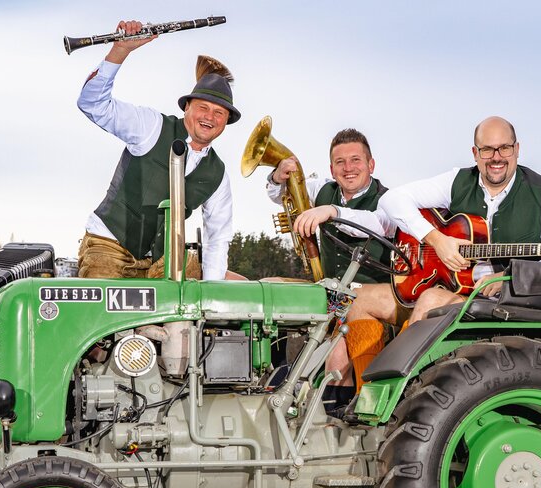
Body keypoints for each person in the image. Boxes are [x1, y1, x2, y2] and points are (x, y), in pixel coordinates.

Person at [340, 115, 541, 385]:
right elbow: (393, 199)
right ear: (475, 153)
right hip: (454, 288)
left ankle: (399, 395)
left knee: (429, 299)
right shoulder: (458, 181)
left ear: (517, 149)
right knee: (358, 300)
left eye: (504, 148)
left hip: (503, 301)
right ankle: (365, 393)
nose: (496, 157)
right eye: (487, 149)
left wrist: (508, 279)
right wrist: (437, 240)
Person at [76, 19, 242, 281]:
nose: (209, 116)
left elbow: (217, 239)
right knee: (103, 317)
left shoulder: (218, 175)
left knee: (208, 302)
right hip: (109, 247)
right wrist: (120, 51)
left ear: (225, 122)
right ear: (186, 107)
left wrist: (212, 293)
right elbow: (93, 105)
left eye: (219, 112)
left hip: (161, 262)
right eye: (203, 107)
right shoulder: (151, 126)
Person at [268, 128, 390, 401]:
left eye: (356, 160)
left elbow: (375, 224)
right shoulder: (324, 189)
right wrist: (278, 176)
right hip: (328, 289)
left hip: (371, 296)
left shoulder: (388, 200)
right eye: (340, 162)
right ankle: (275, 374)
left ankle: (343, 421)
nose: (348, 168)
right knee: (271, 291)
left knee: (335, 356)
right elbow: (280, 194)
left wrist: (331, 211)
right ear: (332, 168)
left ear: (371, 164)